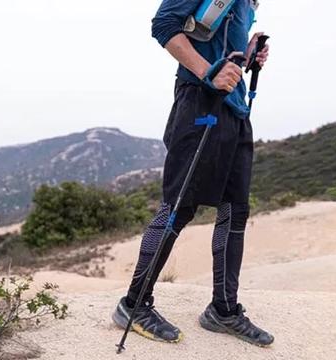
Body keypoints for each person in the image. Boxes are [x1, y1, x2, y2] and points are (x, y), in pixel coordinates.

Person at [112, 0, 274, 347]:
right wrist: (209, 72)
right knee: (178, 207)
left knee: (235, 211)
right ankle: (133, 304)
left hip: (235, 108)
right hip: (198, 103)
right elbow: (164, 25)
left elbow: (221, 55)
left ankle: (223, 310)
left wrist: (245, 55)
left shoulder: (248, 4)